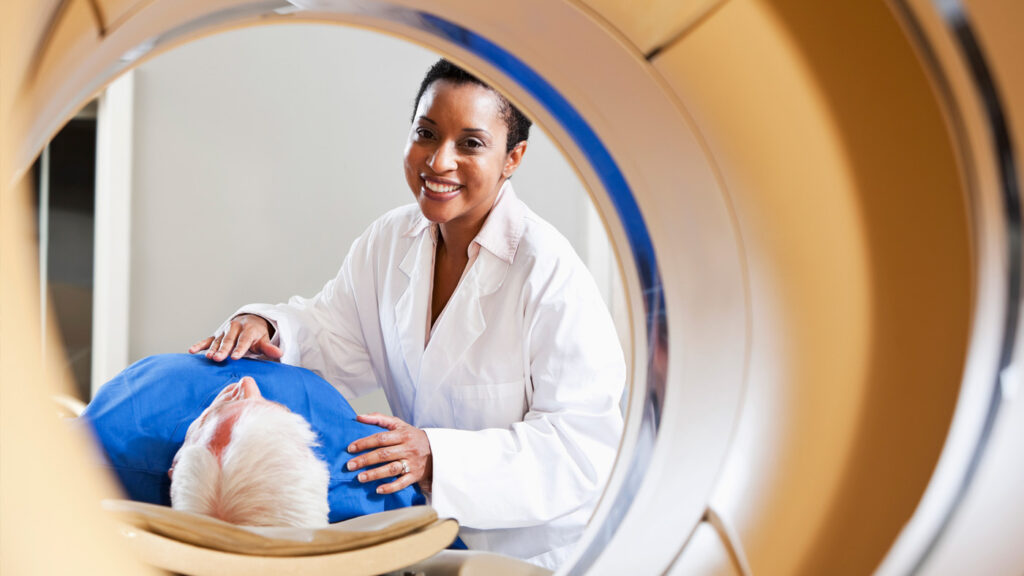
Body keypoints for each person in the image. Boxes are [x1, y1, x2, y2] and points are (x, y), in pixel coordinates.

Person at [190, 59, 626, 569]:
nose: (439, 162)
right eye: (426, 133)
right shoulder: (388, 240)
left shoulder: (548, 271)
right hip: (427, 540)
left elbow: (582, 449)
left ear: (513, 157)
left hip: (537, 555)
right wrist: (269, 327)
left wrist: (434, 457)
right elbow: (333, 337)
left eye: (471, 143)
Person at [76, 353, 424, 525]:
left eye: (211, 419)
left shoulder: (95, 444)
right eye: (271, 406)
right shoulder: (376, 477)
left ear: (176, 466)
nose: (245, 383)